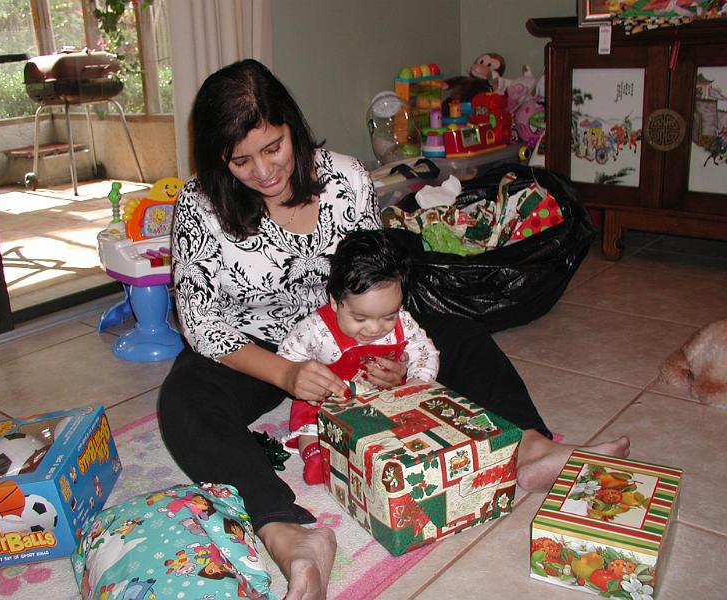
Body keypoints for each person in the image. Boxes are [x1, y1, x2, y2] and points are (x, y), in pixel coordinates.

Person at [158, 58, 629, 600]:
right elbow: (203, 326)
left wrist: (394, 350)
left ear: (292, 128)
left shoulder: (345, 179)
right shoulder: (200, 205)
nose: (263, 171)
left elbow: (377, 279)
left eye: (274, 148)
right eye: (240, 160)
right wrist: (287, 374)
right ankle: (288, 532)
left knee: (460, 333)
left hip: (351, 329)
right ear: (219, 158)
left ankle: (528, 447)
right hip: (259, 349)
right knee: (185, 401)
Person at [277, 229, 440, 485]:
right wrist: (302, 377)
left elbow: (425, 351)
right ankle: (315, 455)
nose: (375, 329)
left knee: (402, 423)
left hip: (378, 396)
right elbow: (286, 357)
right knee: (310, 421)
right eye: (360, 318)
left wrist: (416, 383)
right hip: (327, 401)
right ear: (335, 301)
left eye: (388, 316)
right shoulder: (316, 329)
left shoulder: (404, 324)